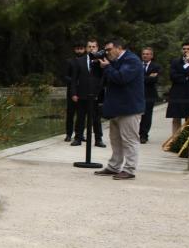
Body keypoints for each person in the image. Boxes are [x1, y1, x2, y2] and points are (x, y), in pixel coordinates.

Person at [94, 39, 144, 180]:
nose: (107, 53)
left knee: (129, 140)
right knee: (115, 139)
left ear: (119, 48)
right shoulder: (116, 61)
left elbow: (121, 78)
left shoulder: (132, 60)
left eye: (109, 50)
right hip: (116, 107)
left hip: (129, 107)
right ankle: (114, 166)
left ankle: (129, 169)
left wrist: (107, 67)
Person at [69, 39, 105, 148]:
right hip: (82, 94)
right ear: (86, 48)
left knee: (96, 119)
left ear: (97, 48)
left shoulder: (102, 61)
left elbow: (105, 77)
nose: (92, 48)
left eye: (94, 47)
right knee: (80, 117)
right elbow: (74, 79)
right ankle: (78, 138)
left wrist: (102, 66)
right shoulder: (80, 61)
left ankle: (98, 139)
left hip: (96, 94)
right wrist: (73, 93)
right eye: (89, 46)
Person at [62, 43, 85, 142]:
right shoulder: (69, 61)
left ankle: (80, 134)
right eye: (77, 49)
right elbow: (65, 76)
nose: (79, 51)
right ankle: (68, 134)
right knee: (70, 114)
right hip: (71, 90)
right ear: (74, 49)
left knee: (82, 115)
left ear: (84, 49)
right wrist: (74, 81)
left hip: (83, 91)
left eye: (81, 49)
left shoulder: (86, 62)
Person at [139, 46, 161, 143]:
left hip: (149, 94)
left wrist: (141, 78)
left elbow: (154, 80)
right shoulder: (137, 65)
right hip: (137, 94)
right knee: (135, 115)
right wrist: (148, 77)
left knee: (147, 116)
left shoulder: (156, 66)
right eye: (143, 54)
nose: (145, 56)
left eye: (147, 54)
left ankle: (143, 135)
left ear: (151, 56)